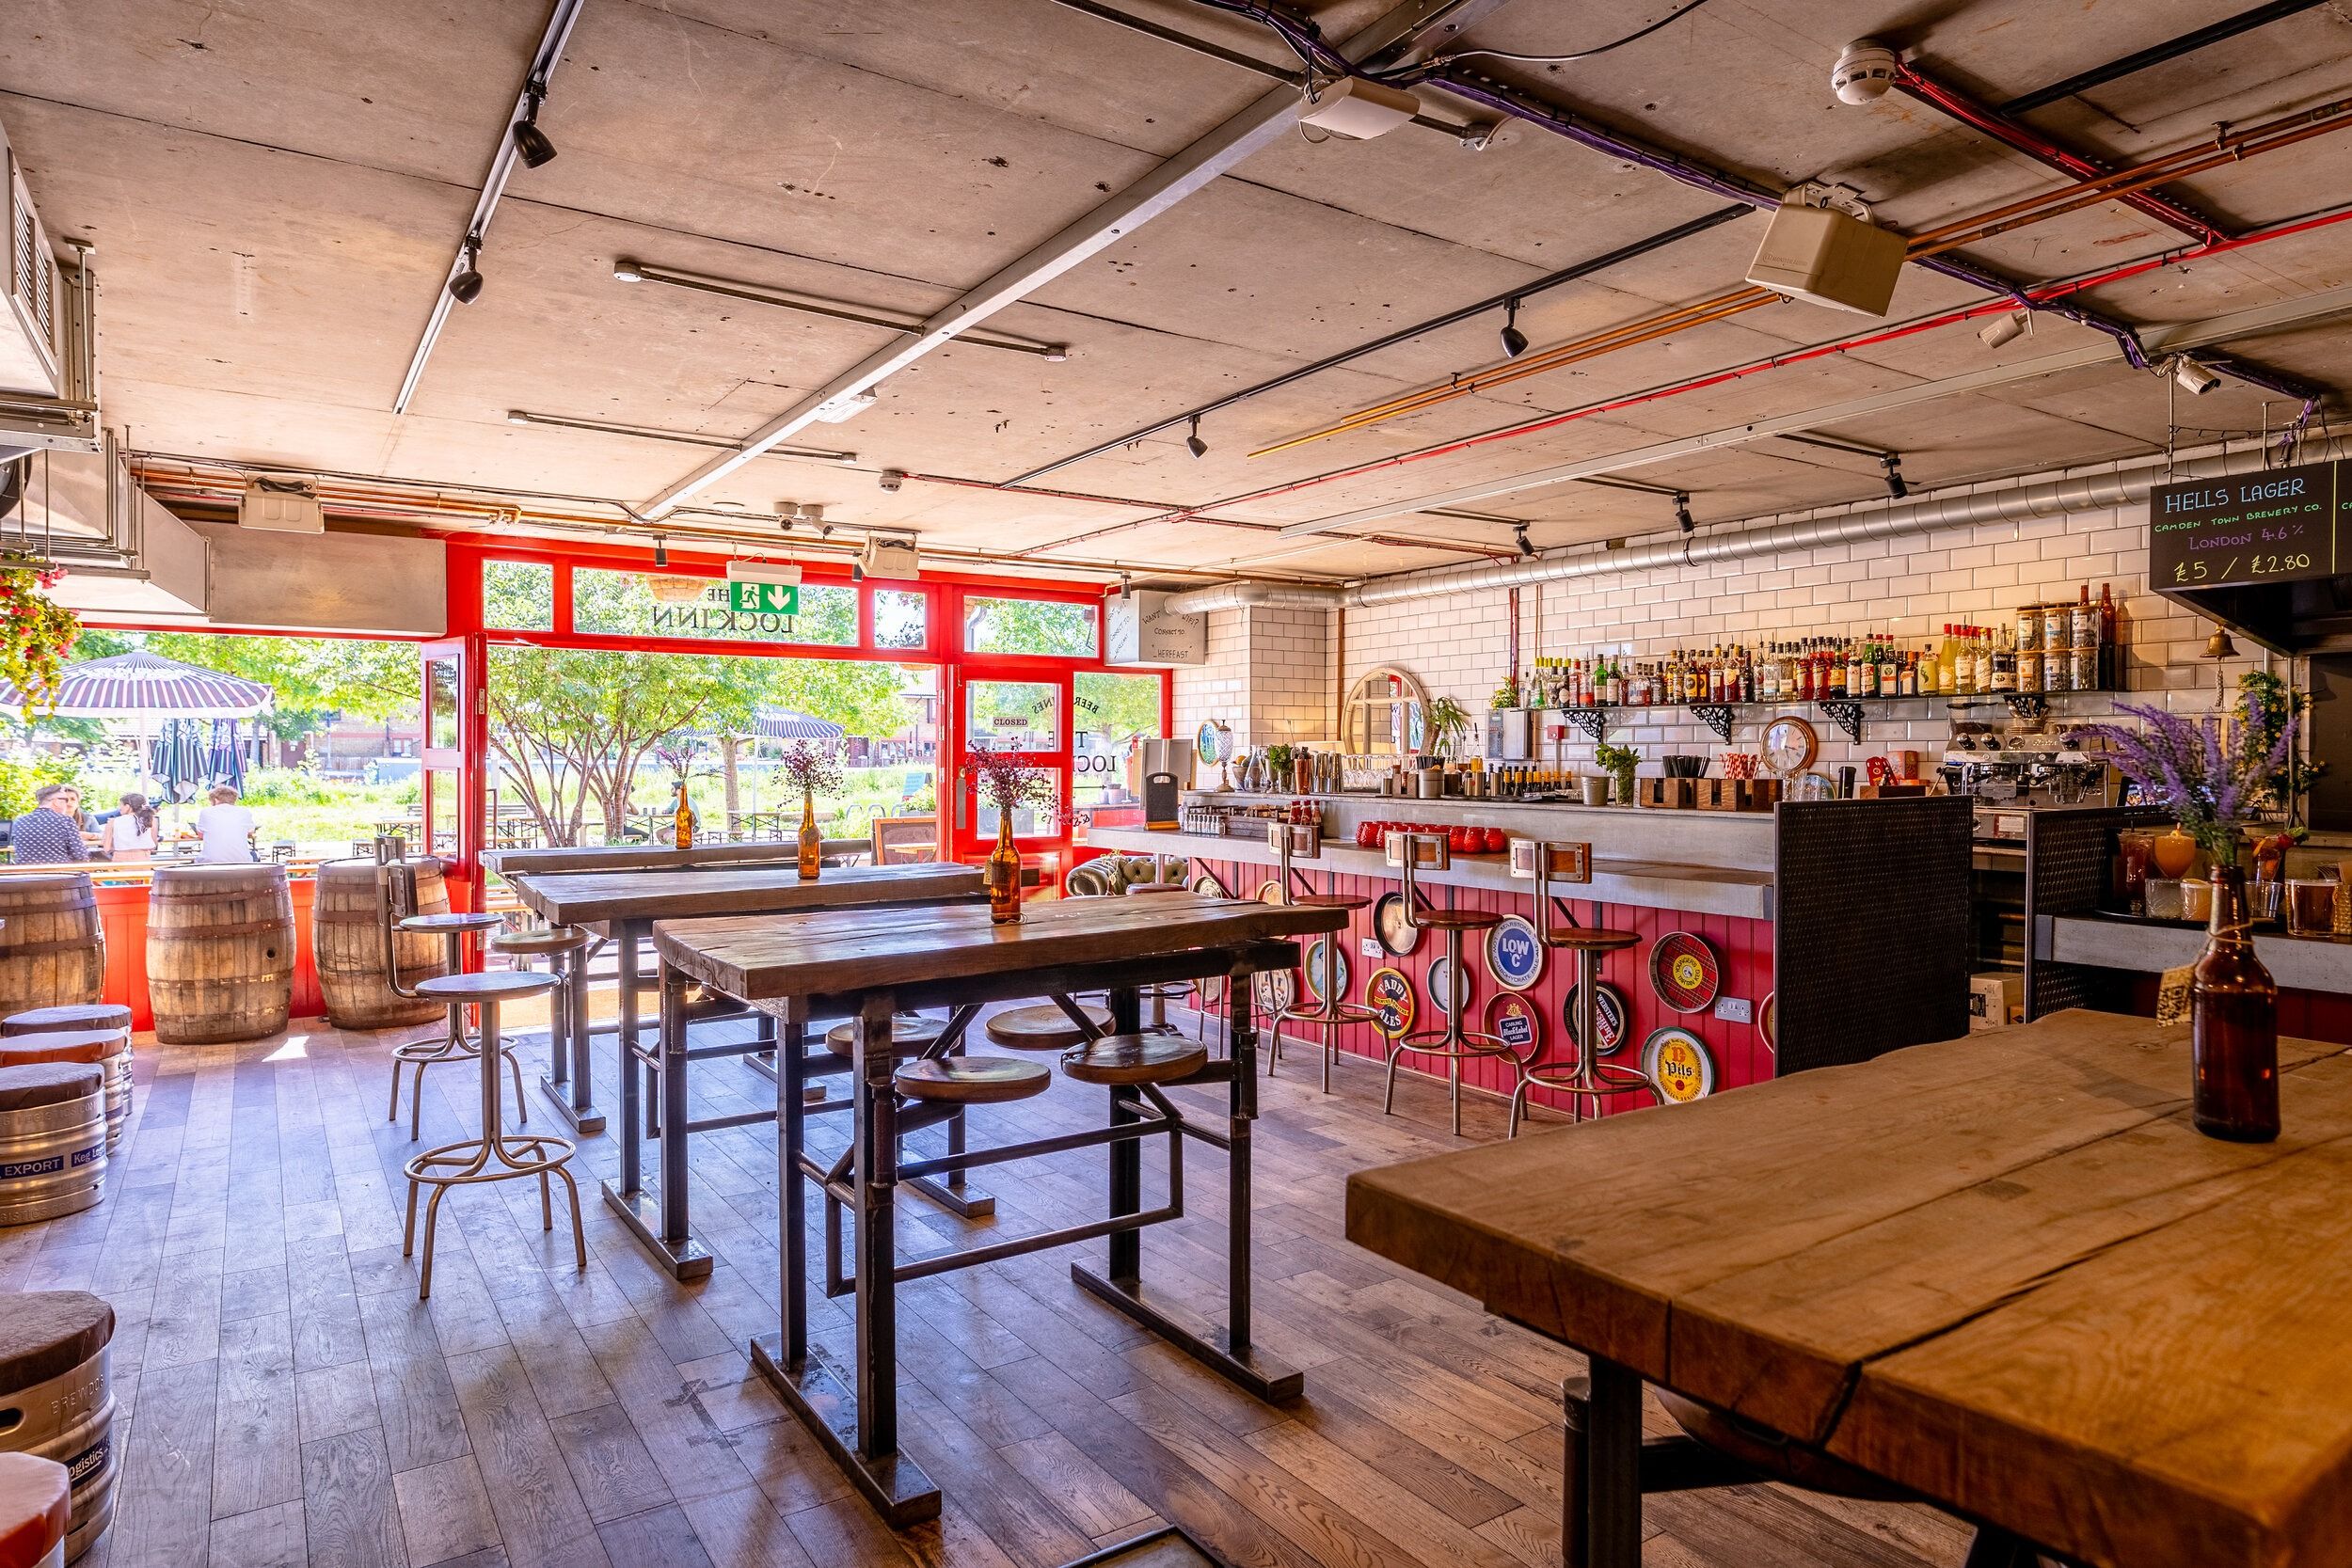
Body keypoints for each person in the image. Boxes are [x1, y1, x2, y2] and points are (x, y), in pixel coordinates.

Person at [9, 783, 91, 864]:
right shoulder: (66, 821)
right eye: (66, 800)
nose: (67, 804)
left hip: (26, 871)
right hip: (60, 871)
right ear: (56, 801)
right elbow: (80, 856)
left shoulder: (19, 821)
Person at [193, 784, 258, 863]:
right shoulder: (244, 812)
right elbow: (251, 831)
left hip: (211, 862)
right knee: (254, 854)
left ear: (215, 799)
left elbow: (200, 835)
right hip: (242, 862)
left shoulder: (206, 812)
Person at [98, 792, 157, 861]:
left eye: (120, 805)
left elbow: (106, 848)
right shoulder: (150, 820)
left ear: (127, 806)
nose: (119, 808)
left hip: (120, 860)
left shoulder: (113, 822)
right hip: (144, 859)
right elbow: (154, 846)